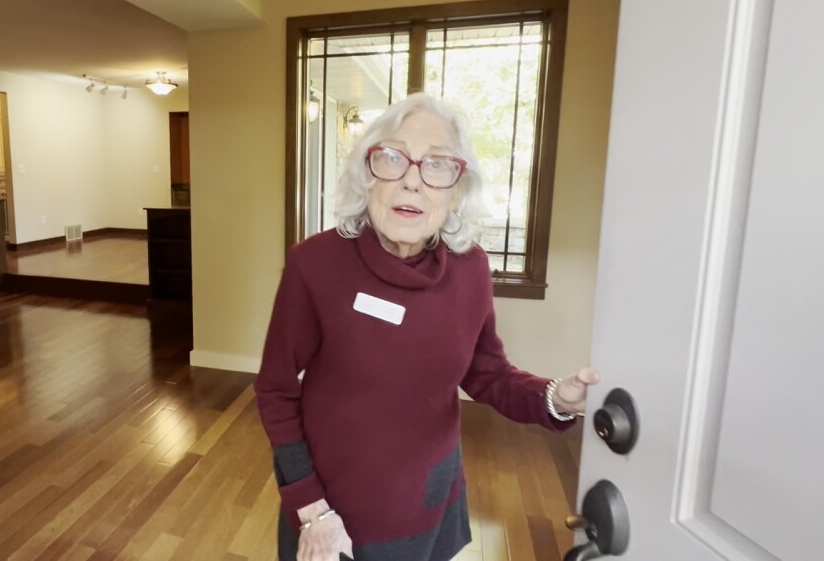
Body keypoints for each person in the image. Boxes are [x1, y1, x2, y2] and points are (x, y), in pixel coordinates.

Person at [254, 93, 600, 561]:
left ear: (456, 189)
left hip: (431, 500)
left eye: (437, 165)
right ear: (367, 174)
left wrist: (554, 398)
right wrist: (312, 511)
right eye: (393, 159)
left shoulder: (471, 268)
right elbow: (275, 388)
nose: (413, 181)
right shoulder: (315, 264)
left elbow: (487, 374)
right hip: (334, 512)